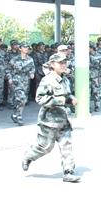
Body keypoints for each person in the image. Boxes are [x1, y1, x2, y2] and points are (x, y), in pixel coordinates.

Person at [21, 53, 80, 183]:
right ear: (52, 65)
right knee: (45, 147)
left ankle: (68, 172)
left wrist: (71, 98)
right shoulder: (47, 80)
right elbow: (40, 98)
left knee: (66, 146)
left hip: (63, 119)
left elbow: (67, 94)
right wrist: (61, 100)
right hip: (49, 121)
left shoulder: (65, 79)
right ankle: (28, 157)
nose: (63, 65)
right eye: (60, 63)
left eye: (65, 62)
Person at [8, 42, 35, 125]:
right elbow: (8, 69)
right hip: (16, 80)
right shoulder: (14, 59)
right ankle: (19, 116)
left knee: (21, 100)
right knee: (22, 98)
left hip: (26, 81)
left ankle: (14, 114)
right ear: (20, 48)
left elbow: (32, 68)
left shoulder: (30, 59)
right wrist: (9, 78)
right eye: (24, 47)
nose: (26, 49)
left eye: (27, 47)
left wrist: (32, 73)